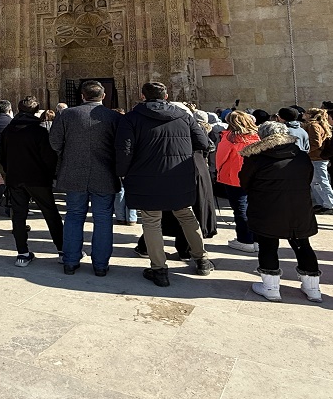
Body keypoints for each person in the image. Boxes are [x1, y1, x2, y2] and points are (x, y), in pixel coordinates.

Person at [116, 81, 213, 287]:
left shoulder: (132, 118)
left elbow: (125, 150)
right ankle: (202, 259)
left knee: (151, 221)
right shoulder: (184, 116)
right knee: (186, 215)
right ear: (166, 96)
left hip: (146, 177)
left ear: (142, 96)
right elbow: (203, 143)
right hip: (179, 176)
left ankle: (159, 269)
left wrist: (122, 173)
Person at [240, 121, 322, 302]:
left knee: (268, 245)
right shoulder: (300, 155)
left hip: (267, 207)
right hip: (298, 207)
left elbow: (244, 182)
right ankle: (313, 288)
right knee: (302, 244)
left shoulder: (256, 157)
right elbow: (308, 178)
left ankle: (271, 288)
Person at [50, 80, 121, 275]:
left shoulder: (67, 114)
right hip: (105, 174)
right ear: (103, 96)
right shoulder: (113, 117)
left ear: (82, 96)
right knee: (103, 218)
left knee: (73, 216)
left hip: (74, 173)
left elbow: (55, 142)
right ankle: (100, 265)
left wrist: (69, 155)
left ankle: (70, 261)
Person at [1, 96, 64, 267]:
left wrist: (10, 172)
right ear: (37, 111)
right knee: (50, 213)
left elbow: (3, 156)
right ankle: (62, 250)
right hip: (37, 179)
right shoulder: (39, 131)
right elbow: (49, 158)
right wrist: (50, 176)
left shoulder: (8, 131)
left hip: (15, 179)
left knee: (19, 216)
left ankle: (22, 253)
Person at [214, 111, 260, 252]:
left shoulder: (230, 138)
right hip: (255, 177)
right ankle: (257, 239)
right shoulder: (257, 136)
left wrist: (219, 173)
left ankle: (245, 240)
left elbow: (220, 159)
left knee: (240, 209)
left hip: (234, 177)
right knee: (255, 208)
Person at [303, 107, 333, 215]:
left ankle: (330, 204)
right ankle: (323, 203)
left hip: (316, 158)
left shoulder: (313, 125)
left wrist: (306, 151)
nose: (304, 114)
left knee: (322, 181)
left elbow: (316, 142)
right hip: (316, 158)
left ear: (310, 115)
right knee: (316, 182)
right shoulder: (318, 125)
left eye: (306, 113)